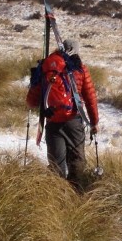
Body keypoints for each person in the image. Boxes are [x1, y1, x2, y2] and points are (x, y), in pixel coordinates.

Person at [26, 38, 99, 191]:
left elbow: (32, 101)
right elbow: (90, 97)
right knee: (77, 163)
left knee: (56, 166)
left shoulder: (46, 67)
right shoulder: (80, 69)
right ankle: (77, 196)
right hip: (73, 121)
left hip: (52, 121)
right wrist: (94, 122)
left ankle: (56, 198)